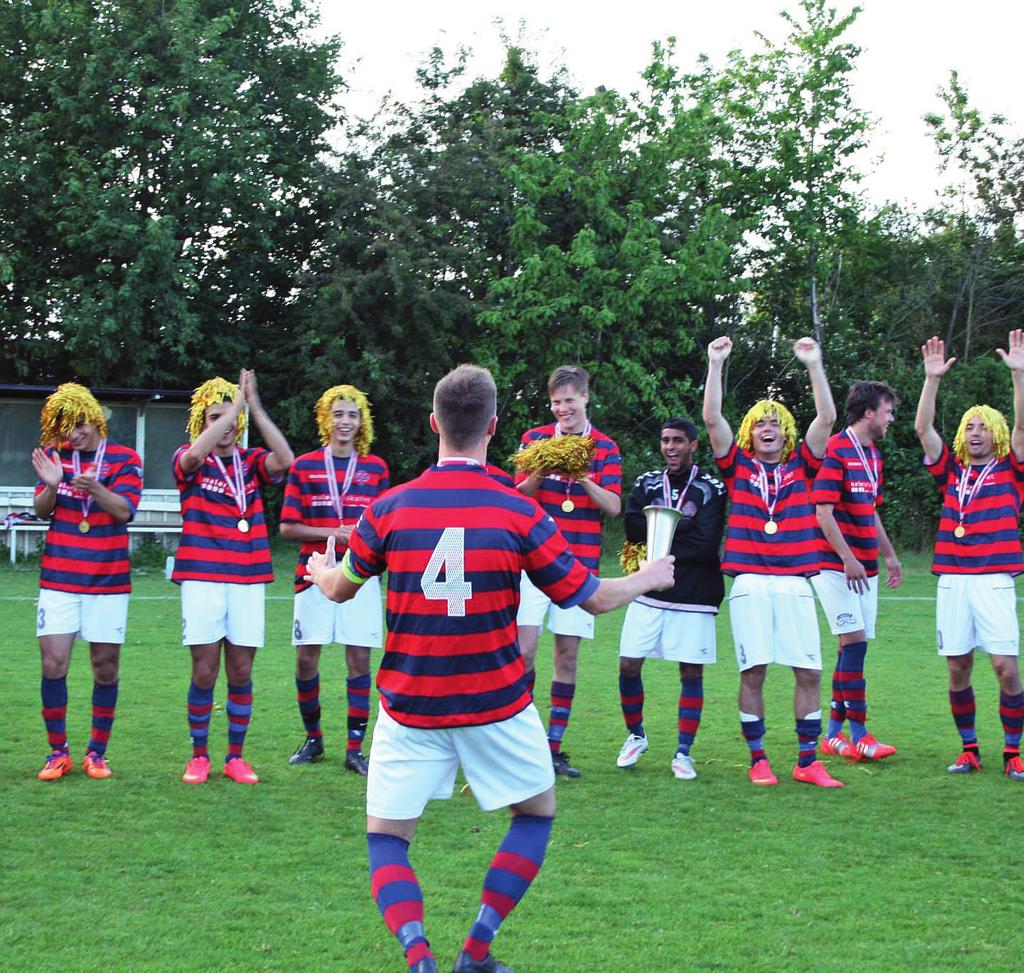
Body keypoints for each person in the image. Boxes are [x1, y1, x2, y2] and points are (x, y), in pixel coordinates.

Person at [305, 364, 674, 973]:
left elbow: (340, 589)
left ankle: (420, 957)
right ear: (494, 426)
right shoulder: (518, 510)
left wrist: (321, 571)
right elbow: (592, 597)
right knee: (535, 814)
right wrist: (648, 576)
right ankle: (474, 952)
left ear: (433, 424)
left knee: (386, 837)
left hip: (410, 703)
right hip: (496, 702)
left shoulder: (390, 506)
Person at [704, 336, 844, 788]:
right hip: (749, 581)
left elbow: (827, 417)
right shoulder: (737, 466)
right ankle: (759, 758)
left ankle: (807, 760)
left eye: (776, 424)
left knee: (809, 670)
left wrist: (814, 365)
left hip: (796, 580)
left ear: (786, 433)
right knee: (755, 670)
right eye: (760, 423)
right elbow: (711, 418)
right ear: (751, 433)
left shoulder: (804, 465)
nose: (768, 428)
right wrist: (716, 364)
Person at [172, 371, 293, 785]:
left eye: (228, 419)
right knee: (205, 670)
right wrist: (232, 410)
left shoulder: (251, 462)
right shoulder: (189, 460)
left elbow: (287, 460)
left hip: (247, 577)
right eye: (213, 418)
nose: (224, 427)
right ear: (201, 424)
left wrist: (253, 408)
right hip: (202, 576)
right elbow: (192, 457)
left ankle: (235, 756)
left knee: (241, 671)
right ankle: (199, 755)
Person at [914, 333, 1024, 781]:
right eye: (970, 427)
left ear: (995, 434)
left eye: (983, 427)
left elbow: (1023, 429)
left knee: (1004, 668)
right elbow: (923, 429)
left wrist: (1018, 375)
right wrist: (931, 381)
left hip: (994, 578)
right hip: (952, 580)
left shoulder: (1012, 468)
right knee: (958, 666)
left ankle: (1013, 751)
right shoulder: (951, 471)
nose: (975, 433)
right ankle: (970, 749)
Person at [31, 383, 143, 781]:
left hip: (108, 581)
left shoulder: (125, 458)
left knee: (105, 668)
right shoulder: (54, 456)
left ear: (94, 418)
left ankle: (97, 753)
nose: (74, 433)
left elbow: (125, 510)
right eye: (65, 427)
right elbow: (42, 510)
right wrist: (50, 484)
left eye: (79, 424)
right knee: (53, 663)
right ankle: (57, 753)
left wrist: (94, 487)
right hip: (59, 578)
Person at [514, 365, 622, 778]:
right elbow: (518, 494)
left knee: (567, 655)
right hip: (533, 559)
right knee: (522, 652)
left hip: (578, 563)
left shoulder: (605, 447)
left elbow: (612, 506)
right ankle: (521, 742)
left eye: (570, 400)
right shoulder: (534, 440)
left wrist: (583, 477)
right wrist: (541, 470)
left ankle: (553, 747)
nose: (563, 408)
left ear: (585, 399)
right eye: (557, 402)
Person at [280, 385, 389, 773]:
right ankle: (313, 738)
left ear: (363, 422)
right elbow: (288, 528)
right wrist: (335, 533)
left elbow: (382, 524)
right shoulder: (305, 467)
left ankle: (354, 748)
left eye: (352, 414)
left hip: (360, 575)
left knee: (359, 659)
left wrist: (360, 541)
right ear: (326, 418)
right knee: (306, 659)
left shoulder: (376, 469)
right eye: (338, 413)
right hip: (313, 573)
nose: (345, 421)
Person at [615, 418, 727, 781]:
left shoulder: (711, 488)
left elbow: (707, 544)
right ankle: (636, 735)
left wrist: (662, 530)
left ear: (694, 445)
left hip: (696, 593)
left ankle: (683, 753)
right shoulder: (646, 482)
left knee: (690, 672)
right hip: (647, 589)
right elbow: (633, 529)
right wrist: (685, 528)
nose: (671, 447)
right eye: (665, 440)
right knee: (628, 665)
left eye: (678, 440)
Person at [812, 379, 903, 762]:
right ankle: (861, 734)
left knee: (849, 646)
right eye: (888, 411)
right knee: (855, 643)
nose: (891, 418)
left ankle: (833, 733)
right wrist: (847, 557)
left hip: (864, 567)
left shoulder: (873, 456)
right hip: (835, 565)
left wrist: (890, 555)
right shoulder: (837, 449)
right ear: (869, 412)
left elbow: (870, 510)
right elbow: (823, 511)